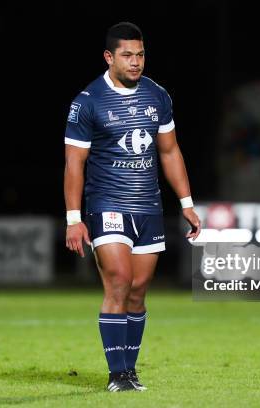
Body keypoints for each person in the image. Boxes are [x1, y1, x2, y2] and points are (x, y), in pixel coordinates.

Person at [63, 22, 201, 392]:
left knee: (138, 290)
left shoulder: (157, 96)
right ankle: (117, 375)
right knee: (119, 281)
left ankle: (130, 370)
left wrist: (186, 203)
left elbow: (169, 151)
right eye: (127, 55)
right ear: (109, 57)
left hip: (149, 207)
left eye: (140, 54)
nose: (135, 61)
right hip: (106, 204)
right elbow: (74, 163)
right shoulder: (87, 102)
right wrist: (74, 219)